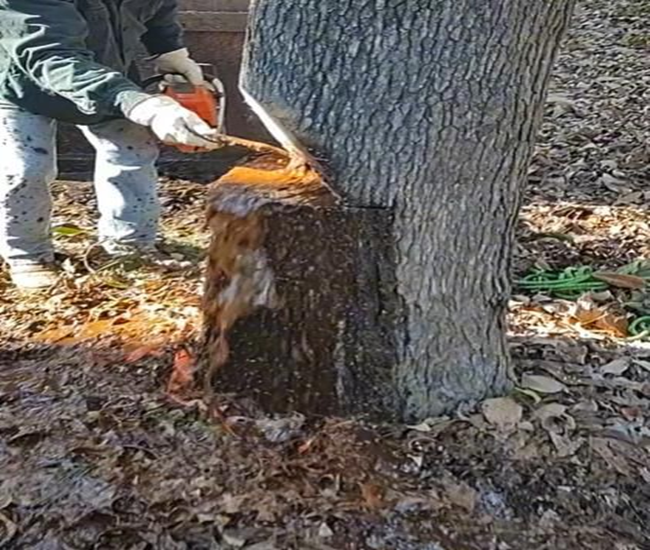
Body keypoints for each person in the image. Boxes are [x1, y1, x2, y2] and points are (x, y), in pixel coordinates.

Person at [0, 0, 224, 289]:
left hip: (111, 75)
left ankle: (129, 245)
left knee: (134, 152)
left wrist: (170, 50)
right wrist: (139, 104)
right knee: (26, 169)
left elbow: (159, 7)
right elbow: (51, 57)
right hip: (22, 86)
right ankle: (28, 254)